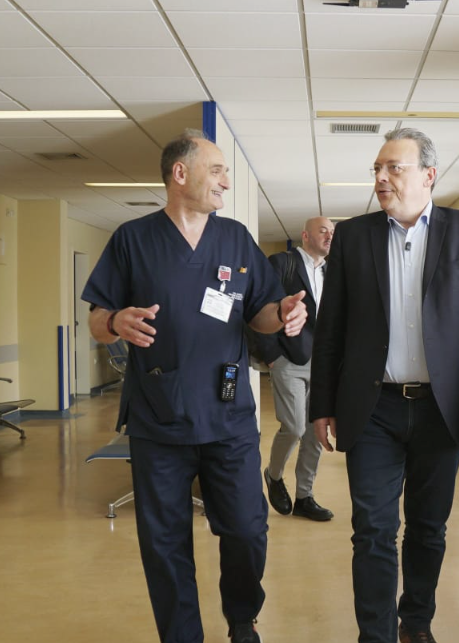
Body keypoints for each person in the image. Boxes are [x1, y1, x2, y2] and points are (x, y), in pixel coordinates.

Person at [83, 128, 307, 643]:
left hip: (227, 416)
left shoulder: (235, 239)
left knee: (247, 528)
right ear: (180, 174)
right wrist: (115, 322)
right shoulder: (132, 239)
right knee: (163, 542)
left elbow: (261, 312)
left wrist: (284, 314)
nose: (225, 181)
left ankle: (242, 617)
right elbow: (96, 319)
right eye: (217, 170)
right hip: (158, 416)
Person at [309, 127, 459, 643]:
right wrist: (321, 404)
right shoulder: (354, 236)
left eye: (393, 168)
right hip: (372, 407)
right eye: (377, 169)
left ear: (428, 175)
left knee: (428, 527)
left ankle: (416, 622)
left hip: (442, 408)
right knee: (372, 530)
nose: (381, 178)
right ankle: (375, 634)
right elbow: (331, 328)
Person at [261, 216, 336, 522]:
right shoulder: (283, 263)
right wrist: (271, 355)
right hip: (289, 359)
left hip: (324, 364)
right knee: (293, 427)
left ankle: (305, 496)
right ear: (305, 235)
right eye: (323, 231)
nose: (329, 236)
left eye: (332, 232)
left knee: (315, 432)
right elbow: (259, 305)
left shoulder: (334, 270)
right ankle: (274, 475)